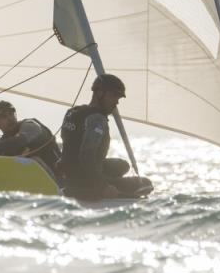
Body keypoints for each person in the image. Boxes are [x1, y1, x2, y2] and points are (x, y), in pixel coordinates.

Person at [59, 73, 153, 201]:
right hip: (84, 182)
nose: (116, 102)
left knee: (123, 165)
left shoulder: (72, 112)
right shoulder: (97, 120)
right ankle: (99, 187)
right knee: (145, 183)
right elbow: (86, 156)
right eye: (113, 96)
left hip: (69, 173)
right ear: (99, 93)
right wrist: (103, 187)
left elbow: (68, 145)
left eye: (118, 98)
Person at [0, 100, 61, 178]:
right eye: (4, 117)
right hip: (32, 185)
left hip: (58, 182)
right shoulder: (1, 143)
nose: (10, 118)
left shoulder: (31, 125)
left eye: (11, 113)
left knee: (30, 160)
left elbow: (17, 142)